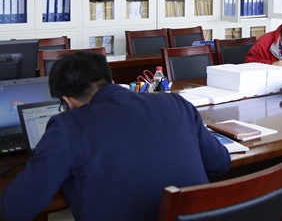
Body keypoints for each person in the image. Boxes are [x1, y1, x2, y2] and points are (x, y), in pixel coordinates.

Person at [0, 51, 231, 221]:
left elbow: (16, 209)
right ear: (110, 80)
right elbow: (220, 163)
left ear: (67, 102)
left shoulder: (68, 126)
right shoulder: (175, 102)